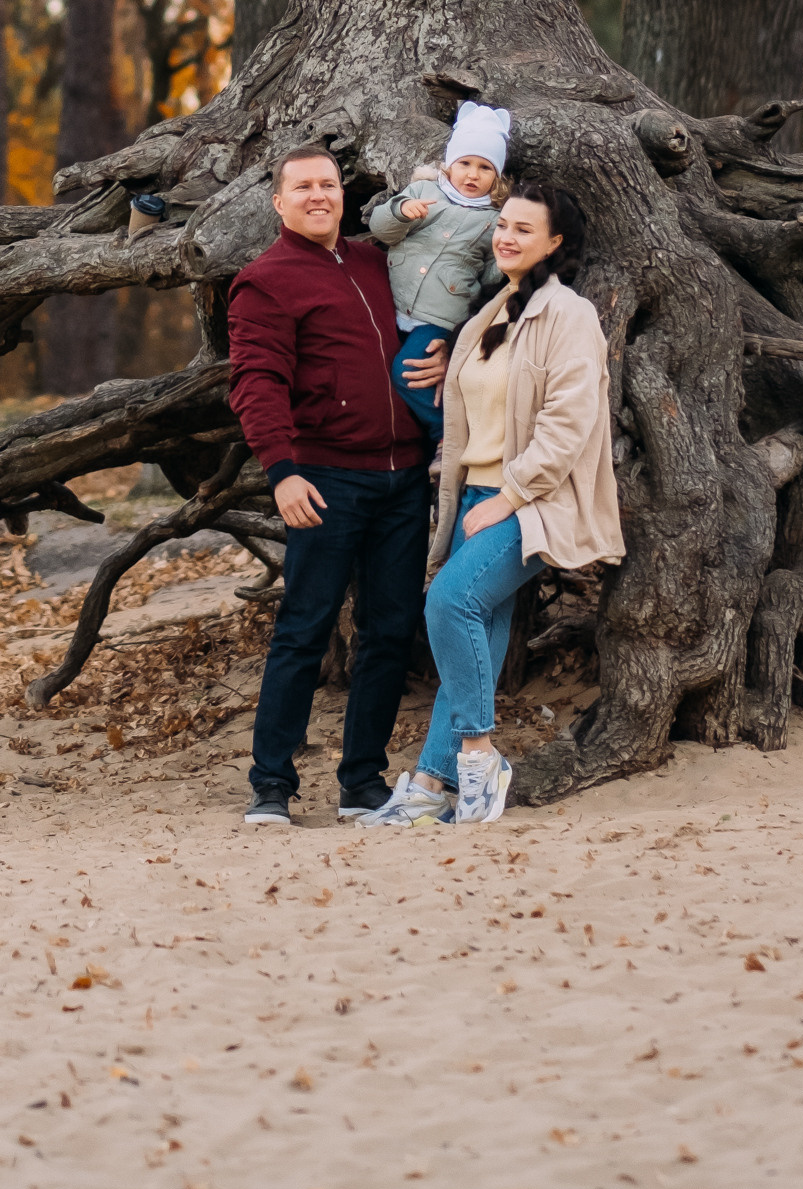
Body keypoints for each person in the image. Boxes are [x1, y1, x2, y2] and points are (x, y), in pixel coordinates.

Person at [367, 181, 622, 830]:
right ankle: (431, 783)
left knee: (449, 602)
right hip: (475, 494)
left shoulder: (568, 314)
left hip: (531, 500)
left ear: (555, 243)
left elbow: (571, 421)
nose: (505, 235)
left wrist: (508, 496)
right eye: (502, 224)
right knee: (471, 631)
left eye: (524, 229)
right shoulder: (489, 309)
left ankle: (481, 757)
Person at [227, 144, 446, 827]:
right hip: (323, 479)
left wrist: (439, 356)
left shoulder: (378, 261)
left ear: (342, 194)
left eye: (328, 184)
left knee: (388, 631)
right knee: (305, 627)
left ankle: (362, 784)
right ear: (279, 201)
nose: (318, 195)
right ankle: (272, 785)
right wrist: (281, 470)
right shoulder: (266, 280)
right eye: (303, 187)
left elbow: (431, 318)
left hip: (404, 478)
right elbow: (256, 381)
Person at [364, 101, 510, 440]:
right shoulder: (423, 192)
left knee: (408, 373)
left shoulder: (494, 219)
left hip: (441, 318)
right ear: (449, 165)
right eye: (465, 163)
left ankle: (448, 436)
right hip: (394, 304)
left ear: (497, 176)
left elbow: (491, 274)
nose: (473, 174)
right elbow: (383, 230)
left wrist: (498, 268)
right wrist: (401, 212)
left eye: (485, 168)